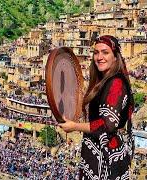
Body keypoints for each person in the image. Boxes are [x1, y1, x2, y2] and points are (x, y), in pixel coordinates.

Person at [59, 35, 134, 179]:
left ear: (115, 57)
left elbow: (107, 125)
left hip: (106, 157)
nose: (99, 57)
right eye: (96, 52)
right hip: (95, 153)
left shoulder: (116, 83)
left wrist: (75, 126)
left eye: (105, 52)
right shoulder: (103, 82)